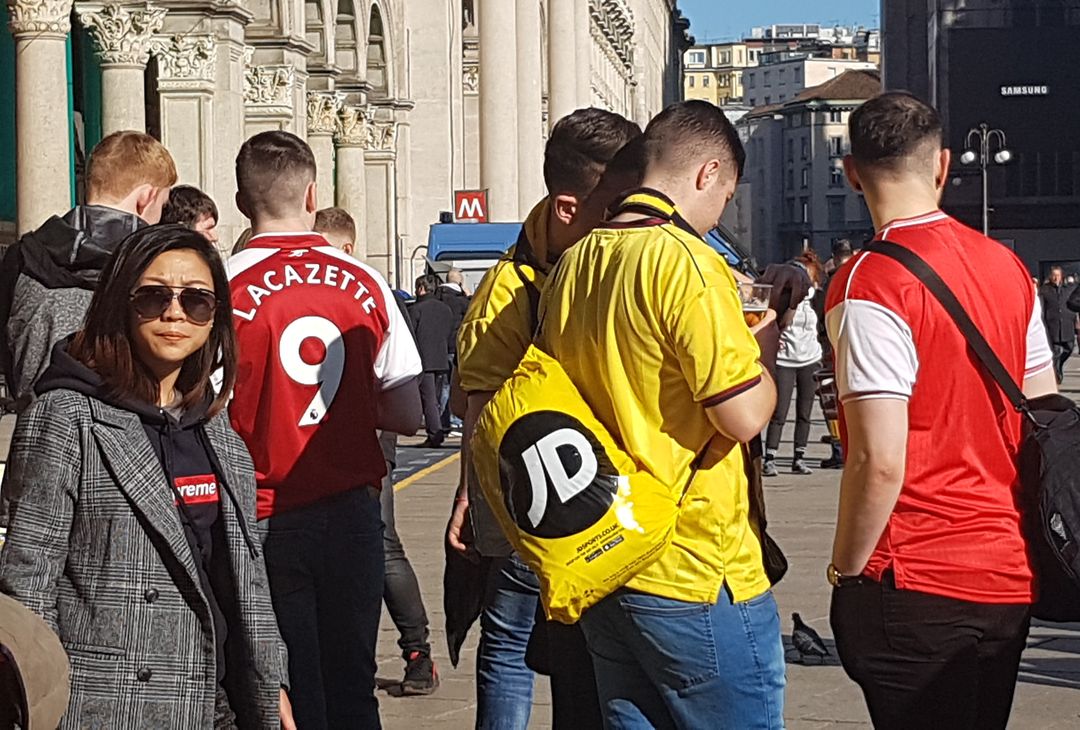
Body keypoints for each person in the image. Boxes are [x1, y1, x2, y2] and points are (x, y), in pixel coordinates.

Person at [536, 99, 783, 728]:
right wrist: (762, 348)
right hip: (694, 563)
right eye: (725, 196)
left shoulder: (577, 261)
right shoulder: (689, 263)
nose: (719, 213)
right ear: (707, 174)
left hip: (609, 551)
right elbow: (742, 416)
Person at [824, 92, 1057, 730]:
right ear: (943, 165)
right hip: (1007, 571)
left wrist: (845, 572)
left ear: (851, 173)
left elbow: (878, 460)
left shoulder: (869, 281)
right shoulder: (1007, 266)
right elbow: (1043, 411)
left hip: (915, 573)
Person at [0, 225, 293, 729]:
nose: (175, 313)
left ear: (215, 317)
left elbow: (245, 580)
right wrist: (38, 704)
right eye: (153, 297)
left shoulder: (217, 431)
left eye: (196, 300)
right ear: (121, 302)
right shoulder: (66, 416)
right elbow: (28, 582)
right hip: (110, 706)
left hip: (218, 700)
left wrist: (273, 682)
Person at [448, 108, 641, 730]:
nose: (635, 220)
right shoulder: (508, 292)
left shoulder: (614, 266)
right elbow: (479, 409)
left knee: (573, 657)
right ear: (567, 208)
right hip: (535, 503)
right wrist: (473, 497)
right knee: (514, 641)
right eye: (617, 207)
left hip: (607, 501)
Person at [228, 131, 422, 730]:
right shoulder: (365, 281)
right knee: (352, 683)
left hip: (264, 511)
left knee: (286, 686)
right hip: (350, 510)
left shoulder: (224, 284)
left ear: (242, 201)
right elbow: (407, 413)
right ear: (313, 195)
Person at [313, 207, 437, 692]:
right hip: (332, 436)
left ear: (347, 247)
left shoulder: (367, 289)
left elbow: (401, 387)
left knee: (382, 543)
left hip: (367, 437)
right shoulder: (358, 290)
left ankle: (417, 650)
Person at [0, 130, 176, 413]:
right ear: (147, 197)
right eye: (162, 205)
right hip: (126, 427)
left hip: (37, 423)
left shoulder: (23, 256)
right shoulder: (153, 263)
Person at [764, 249, 824, 477]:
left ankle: (799, 456)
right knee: (780, 411)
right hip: (785, 359)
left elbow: (823, 325)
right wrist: (793, 302)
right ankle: (770, 457)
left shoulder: (816, 300)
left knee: (804, 411)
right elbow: (781, 323)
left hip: (810, 357)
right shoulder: (785, 301)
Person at [815, 238, 854, 469]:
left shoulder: (833, 281)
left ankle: (839, 450)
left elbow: (822, 312)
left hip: (832, 345)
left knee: (831, 399)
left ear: (835, 256)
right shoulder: (861, 274)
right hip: (857, 345)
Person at [410, 274, 455, 448]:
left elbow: (410, 335)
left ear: (421, 289)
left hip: (423, 359)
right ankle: (440, 428)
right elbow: (450, 331)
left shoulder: (416, 309)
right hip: (441, 357)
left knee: (428, 399)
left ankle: (435, 434)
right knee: (437, 397)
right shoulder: (445, 309)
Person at [1039, 266, 1076, 383]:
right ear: (1050, 276)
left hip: (1067, 324)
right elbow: (1041, 307)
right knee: (1055, 352)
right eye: (1054, 275)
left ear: (1061, 276)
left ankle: (1059, 364)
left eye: (1058, 275)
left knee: (1069, 348)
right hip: (1052, 325)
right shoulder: (1045, 290)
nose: (1056, 278)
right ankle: (1057, 374)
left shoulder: (1068, 289)